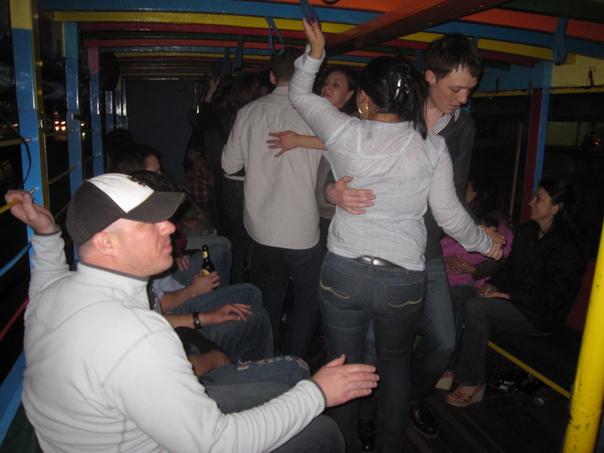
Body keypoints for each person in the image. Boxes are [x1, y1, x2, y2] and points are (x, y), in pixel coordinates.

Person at [8, 174, 379, 452]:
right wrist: (318, 393)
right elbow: (215, 443)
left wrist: (46, 233)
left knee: (287, 391)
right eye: (149, 222)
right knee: (321, 432)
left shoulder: (53, 293)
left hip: (128, 426)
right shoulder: (137, 336)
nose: (170, 226)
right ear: (105, 243)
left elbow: (47, 271)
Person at [288, 19, 502, 453]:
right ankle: (389, 444)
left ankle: (346, 444)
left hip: (344, 271)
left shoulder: (342, 129)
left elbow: (298, 94)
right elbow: (450, 215)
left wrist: (316, 53)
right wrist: (486, 243)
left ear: (364, 99)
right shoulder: (431, 147)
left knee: (344, 367)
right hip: (402, 278)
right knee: (395, 363)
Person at [446, 179, 586, 406]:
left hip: (537, 315)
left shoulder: (567, 246)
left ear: (556, 207)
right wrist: (493, 285)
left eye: (538, 199)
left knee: (476, 307)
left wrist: (505, 296)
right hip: (510, 303)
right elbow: (508, 268)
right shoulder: (527, 231)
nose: (531, 203)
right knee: (458, 295)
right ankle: (449, 366)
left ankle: (472, 381)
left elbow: (554, 296)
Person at [222, 48, 324, 359]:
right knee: (308, 298)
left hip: (262, 226)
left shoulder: (248, 112)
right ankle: (294, 361)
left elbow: (228, 165)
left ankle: (266, 358)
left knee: (270, 296)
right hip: (302, 228)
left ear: (271, 76)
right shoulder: (317, 113)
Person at [267, 65, 358, 251]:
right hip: (319, 207)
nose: (327, 87)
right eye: (326, 83)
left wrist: (298, 140)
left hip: (338, 210)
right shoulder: (320, 119)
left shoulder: (354, 121)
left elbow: (344, 142)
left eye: (336, 85)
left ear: (349, 95)